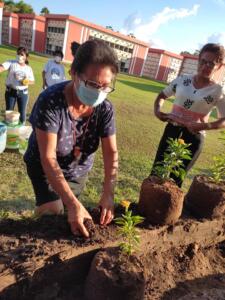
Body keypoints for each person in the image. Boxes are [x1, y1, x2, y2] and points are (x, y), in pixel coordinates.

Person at [24, 39, 119, 237]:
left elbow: (111, 152)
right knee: (53, 212)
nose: (99, 91)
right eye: (92, 84)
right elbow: (48, 158)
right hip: (44, 167)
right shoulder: (50, 101)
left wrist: (108, 193)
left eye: (105, 86)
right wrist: (72, 203)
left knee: (72, 215)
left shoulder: (105, 109)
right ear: (74, 73)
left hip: (77, 170)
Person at [151, 43, 225, 187]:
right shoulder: (182, 80)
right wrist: (158, 111)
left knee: (175, 179)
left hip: (194, 138)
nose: (206, 66)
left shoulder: (217, 91)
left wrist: (203, 125)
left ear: (219, 66)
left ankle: (167, 209)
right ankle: (146, 207)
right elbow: (161, 96)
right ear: (199, 60)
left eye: (212, 63)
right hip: (172, 131)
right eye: (203, 61)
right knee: (157, 171)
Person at [0, 47, 35, 124]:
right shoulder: (11, 63)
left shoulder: (28, 68)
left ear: (26, 57)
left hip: (23, 93)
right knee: (9, 112)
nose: (19, 56)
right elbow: (1, 68)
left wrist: (26, 82)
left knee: (22, 113)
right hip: (10, 92)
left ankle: (22, 128)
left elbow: (32, 81)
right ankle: (7, 130)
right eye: (18, 54)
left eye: (22, 54)